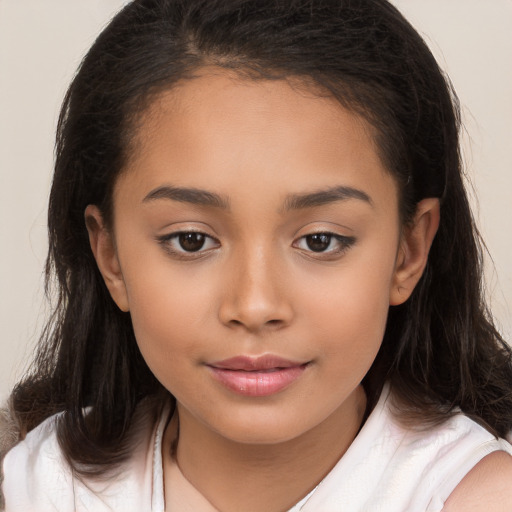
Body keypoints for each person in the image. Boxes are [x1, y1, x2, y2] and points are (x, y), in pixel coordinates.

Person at [1, 0, 512, 510]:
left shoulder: (477, 497)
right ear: (110, 256)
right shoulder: (35, 489)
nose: (254, 305)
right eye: (191, 240)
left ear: (409, 251)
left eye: (320, 240)